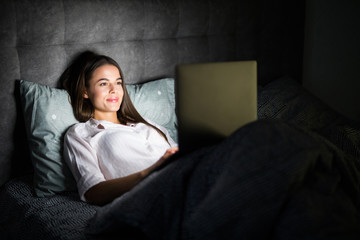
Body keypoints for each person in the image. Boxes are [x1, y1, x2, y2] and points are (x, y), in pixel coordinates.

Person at [62, 51, 178, 206]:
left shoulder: (147, 124)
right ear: (85, 91)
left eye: (118, 82)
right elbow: (93, 192)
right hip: (153, 198)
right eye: (103, 83)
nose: (114, 90)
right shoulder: (80, 133)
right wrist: (151, 173)